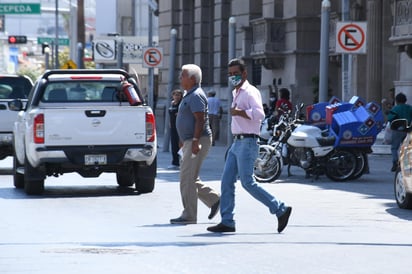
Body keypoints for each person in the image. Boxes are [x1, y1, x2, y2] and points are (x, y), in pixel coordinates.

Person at [207, 58, 292, 233]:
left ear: (244, 74)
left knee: (247, 182)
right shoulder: (236, 92)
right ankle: (227, 221)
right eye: (230, 74)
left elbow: (259, 114)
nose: (232, 77)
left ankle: (280, 209)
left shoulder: (250, 91)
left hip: (248, 142)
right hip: (236, 142)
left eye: (235, 74)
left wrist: (239, 112)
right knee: (226, 182)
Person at [170, 64, 220, 225]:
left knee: (187, 178)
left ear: (192, 78)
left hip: (197, 140)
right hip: (190, 140)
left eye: (183, 75)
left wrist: (195, 141)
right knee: (190, 177)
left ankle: (189, 214)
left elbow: (200, 119)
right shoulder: (189, 94)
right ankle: (215, 200)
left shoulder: (196, 95)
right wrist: (183, 139)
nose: (180, 78)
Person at [387, 92, 412, 172]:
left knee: (394, 147)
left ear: (396, 101)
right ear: (405, 100)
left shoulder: (395, 108)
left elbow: (390, 118)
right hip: (408, 130)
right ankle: (406, 164)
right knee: (406, 148)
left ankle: (395, 162)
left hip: (397, 130)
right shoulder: (410, 108)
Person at [168, 89, 183, 169]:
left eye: (178, 95)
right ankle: (175, 162)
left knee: (180, 144)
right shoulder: (172, 103)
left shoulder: (181, 104)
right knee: (173, 144)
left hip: (179, 127)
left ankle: (182, 161)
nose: (176, 96)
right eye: (175, 95)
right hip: (173, 127)